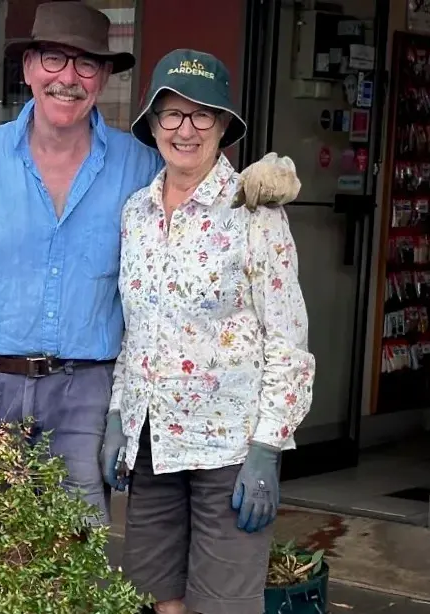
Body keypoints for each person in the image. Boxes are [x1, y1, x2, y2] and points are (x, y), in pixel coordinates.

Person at [0, 0, 300, 528]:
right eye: (53, 59)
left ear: (102, 79)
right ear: (28, 68)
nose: (68, 79)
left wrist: (264, 174)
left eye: (86, 64)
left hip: (84, 399)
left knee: (76, 555)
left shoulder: (140, 166)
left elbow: (200, 173)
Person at [100, 48, 314, 614]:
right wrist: (121, 417)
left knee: (221, 605)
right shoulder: (136, 215)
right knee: (158, 599)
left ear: (223, 126)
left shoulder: (255, 214)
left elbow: (288, 342)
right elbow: (135, 328)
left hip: (229, 449)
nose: (186, 129)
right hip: (153, 443)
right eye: (171, 114)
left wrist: (269, 447)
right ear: (152, 123)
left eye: (203, 115)